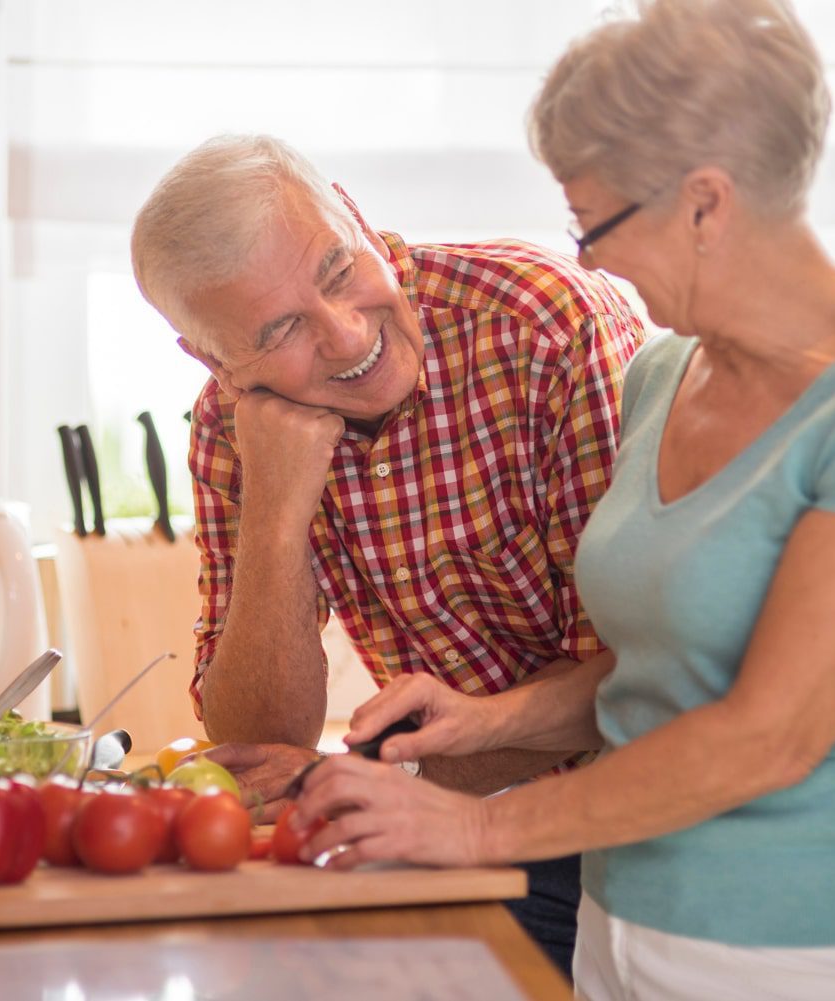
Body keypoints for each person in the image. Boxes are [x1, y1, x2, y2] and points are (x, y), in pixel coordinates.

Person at [292, 1, 835, 997]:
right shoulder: (662, 376)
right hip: (620, 925)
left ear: (706, 203)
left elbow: (772, 731)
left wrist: (480, 824)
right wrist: (490, 722)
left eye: (595, 221)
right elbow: (663, 670)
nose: (582, 257)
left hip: (810, 953)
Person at [130, 135, 646, 975]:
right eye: (282, 328)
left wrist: (396, 781)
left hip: (638, 825)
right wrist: (276, 509)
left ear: (358, 214)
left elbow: (637, 678)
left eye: (338, 271)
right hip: (454, 833)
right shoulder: (234, 427)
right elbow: (259, 738)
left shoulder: (543, 327)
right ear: (216, 362)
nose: (344, 335)